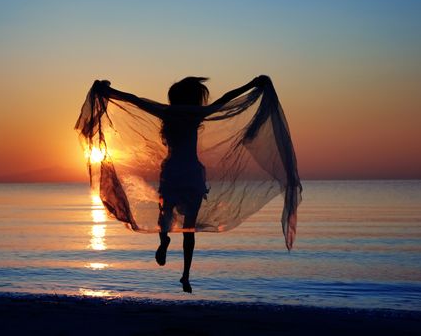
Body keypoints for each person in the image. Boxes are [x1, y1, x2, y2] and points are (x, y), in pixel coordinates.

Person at [76, 74, 299, 293]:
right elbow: (226, 100)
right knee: (189, 230)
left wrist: (109, 91)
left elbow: (134, 100)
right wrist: (252, 84)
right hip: (191, 173)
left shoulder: (168, 112)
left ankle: (163, 241)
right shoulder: (196, 114)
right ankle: (185, 274)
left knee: (164, 214)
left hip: (173, 172)